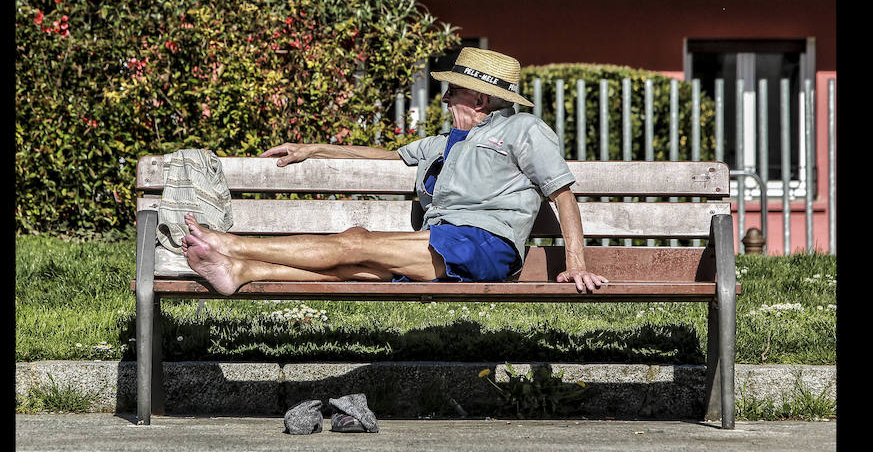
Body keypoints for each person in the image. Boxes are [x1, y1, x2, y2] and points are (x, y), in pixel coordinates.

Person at [181, 47, 608, 295]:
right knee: (358, 264)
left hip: (483, 245)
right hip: (441, 241)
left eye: (451, 90)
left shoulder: (524, 129)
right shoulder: (443, 143)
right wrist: (314, 148)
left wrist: (576, 263)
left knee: (356, 242)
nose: (443, 98)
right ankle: (244, 271)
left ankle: (232, 244)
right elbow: (384, 157)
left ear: (479, 100)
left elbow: (562, 194)